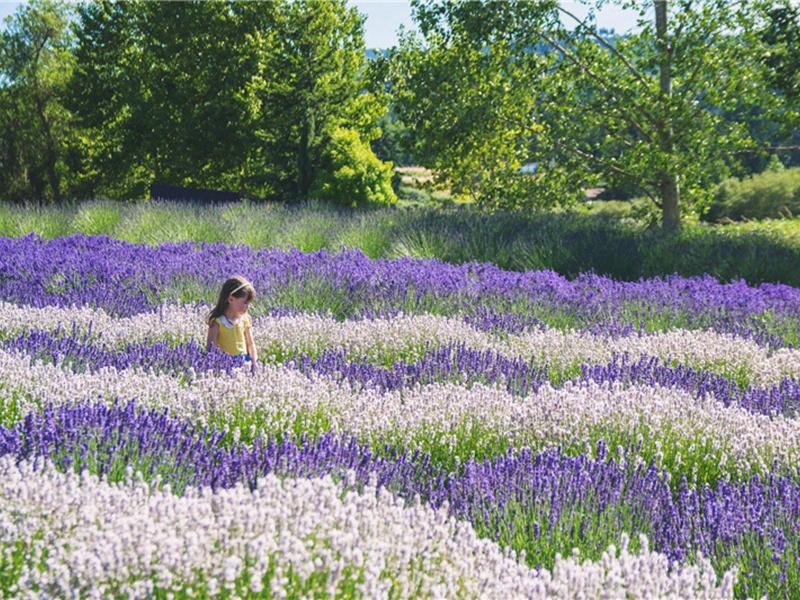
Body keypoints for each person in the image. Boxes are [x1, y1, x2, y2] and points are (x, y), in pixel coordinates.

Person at [206, 276, 258, 362]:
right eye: (245, 302)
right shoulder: (217, 322)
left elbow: (250, 344)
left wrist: (254, 362)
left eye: (249, 303)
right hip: (226, 362)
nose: (248, 306)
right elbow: (211, 347)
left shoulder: (245, 320)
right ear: (231, 299)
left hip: (244, 360)